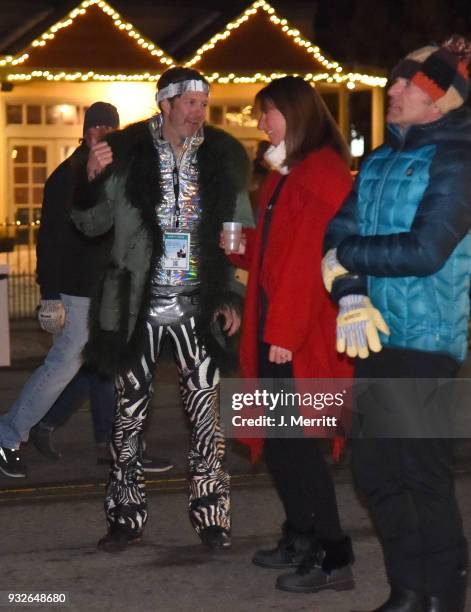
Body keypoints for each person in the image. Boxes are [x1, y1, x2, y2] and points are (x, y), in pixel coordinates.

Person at [71, 66, 252, 553]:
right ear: (164, 103)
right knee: (128, 417)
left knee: (207, 418)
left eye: (203, 103)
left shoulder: (221, 158)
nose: (199, 111)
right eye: (189, 102)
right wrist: (90, 179)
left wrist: (232, 294)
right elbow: (90, 226)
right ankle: (124, 517)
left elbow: (239, 238)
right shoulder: (127, 153)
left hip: (198, 304)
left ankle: (213, 517)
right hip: (138, 307)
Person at [322, 36, 471, 612]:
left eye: (406, 83)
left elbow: (426, 249)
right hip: (374, 334)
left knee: (421, 473)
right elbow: (335, 237)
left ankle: (444, 594)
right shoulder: (381, 160)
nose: (392, 90)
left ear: (441, 102)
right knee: (377, 470)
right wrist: (352, 295)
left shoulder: (457, 160)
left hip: (428, 340)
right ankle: (408, 588)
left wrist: (350, 260)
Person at [221, 76, 354, 594]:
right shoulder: (284, 175)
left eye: (267, 112)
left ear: (293, 114)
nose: (260, 123)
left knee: (298, 446)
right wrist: (238, 246)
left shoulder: (320, 176)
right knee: (280, 443)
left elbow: (307, 263)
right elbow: (275, 255)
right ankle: (301, 534)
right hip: (275, 326)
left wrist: (284, 331)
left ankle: (334, 553)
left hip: (296, 333)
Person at [0, 102, 120, 478]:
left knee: (104, 368)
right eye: (96, 127)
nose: (102, 133)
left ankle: (118, 444)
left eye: (109, 128)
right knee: (64, 365)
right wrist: (49, 292)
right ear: (85, 132)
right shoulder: (67, 176)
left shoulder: (112, 174)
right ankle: (8, 434)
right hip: (76, 290)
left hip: (103, 289)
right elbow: (50, 238)